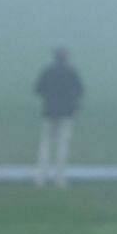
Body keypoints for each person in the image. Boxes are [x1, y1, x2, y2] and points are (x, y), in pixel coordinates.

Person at [33, 46, 85, 187]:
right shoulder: (71, 72)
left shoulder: (47, 71)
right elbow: (80, 90)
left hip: (49, 113)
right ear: (66, 57)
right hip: (66, 114)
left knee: (45, 145)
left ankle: (40, 178)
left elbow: (37, 89)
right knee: (62, 146)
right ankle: (60, 179)